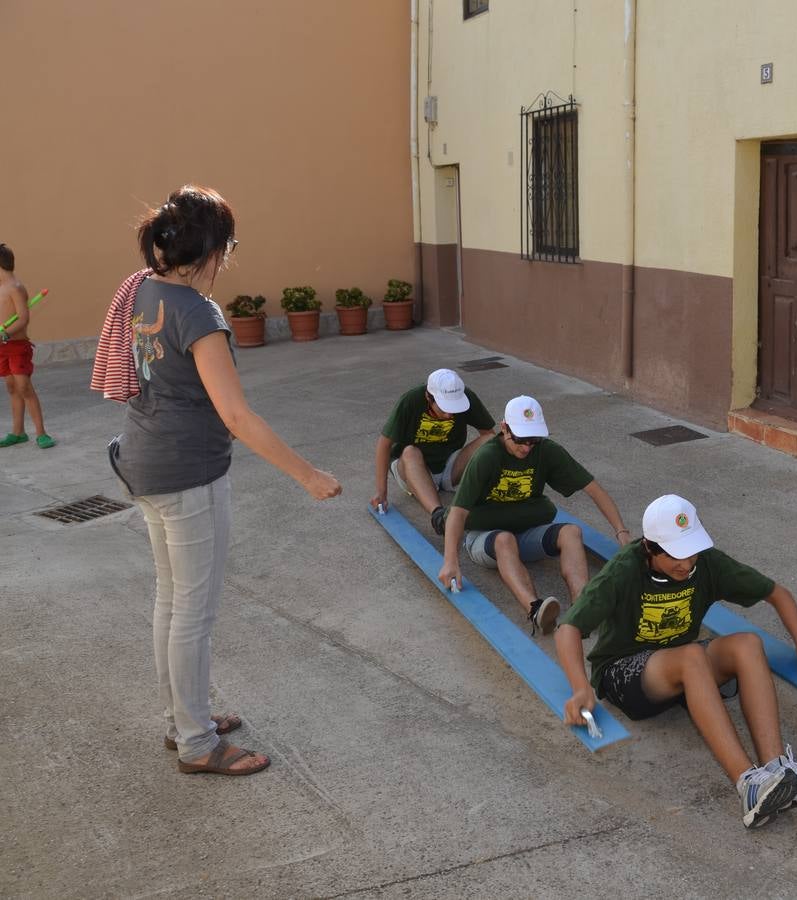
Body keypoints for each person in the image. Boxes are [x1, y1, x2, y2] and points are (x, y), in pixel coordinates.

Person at [101, 185, 341, 774]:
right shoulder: (197, 313)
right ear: (209, 249)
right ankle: (198, 743)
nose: (227, 259)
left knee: (171, 602)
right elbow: (236, 416)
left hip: (143, 462)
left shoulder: (142, 288)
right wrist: (308, 476)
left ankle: (182, 720)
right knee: (194, 615)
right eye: (227, 247)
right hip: (187, 475)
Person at [556, 494, 797, 828]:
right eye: (676, 555)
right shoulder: (623, 571)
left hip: (681, 666)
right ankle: (748, 785)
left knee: (748, 643)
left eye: (691, 550)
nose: (686, 562)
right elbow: (568, 629)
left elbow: (776, 593)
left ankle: (779, 770)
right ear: (649, 547)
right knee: (693, 655)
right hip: (625, 673)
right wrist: (579, 688)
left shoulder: (705, 562)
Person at [436, 395, 629, 635]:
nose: (527, 447)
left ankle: (583, 607)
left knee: (571, 532)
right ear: (504, 428)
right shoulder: (487, 456)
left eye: (533, 440)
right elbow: (458, 511)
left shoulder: (546, 451)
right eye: (520, 439)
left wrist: (621, 532)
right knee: (504, 539)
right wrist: (450, 562)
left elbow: (593, 489)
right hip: (484, 537)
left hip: (526, 531)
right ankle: (536, 609)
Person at [370, 368, 495, 535]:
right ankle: (438, 515)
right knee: (410, 452)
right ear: (428, 397)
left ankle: (454, 487)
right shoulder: (410, 401)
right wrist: (381, 492)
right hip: (412, 469)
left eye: (454, 408)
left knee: (491, 440)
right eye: (443, 408)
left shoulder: (467, 396)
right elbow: (384, 444)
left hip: (450, 465)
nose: (449, 414)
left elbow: (488, 435)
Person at [0, 243, 55, 449]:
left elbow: (23, 319)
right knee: (12, 387)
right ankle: (18, 432)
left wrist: (5, 333)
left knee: (24, 386)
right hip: (3, 347)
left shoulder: (15, 288)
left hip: (17, 346)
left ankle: (41, 433)